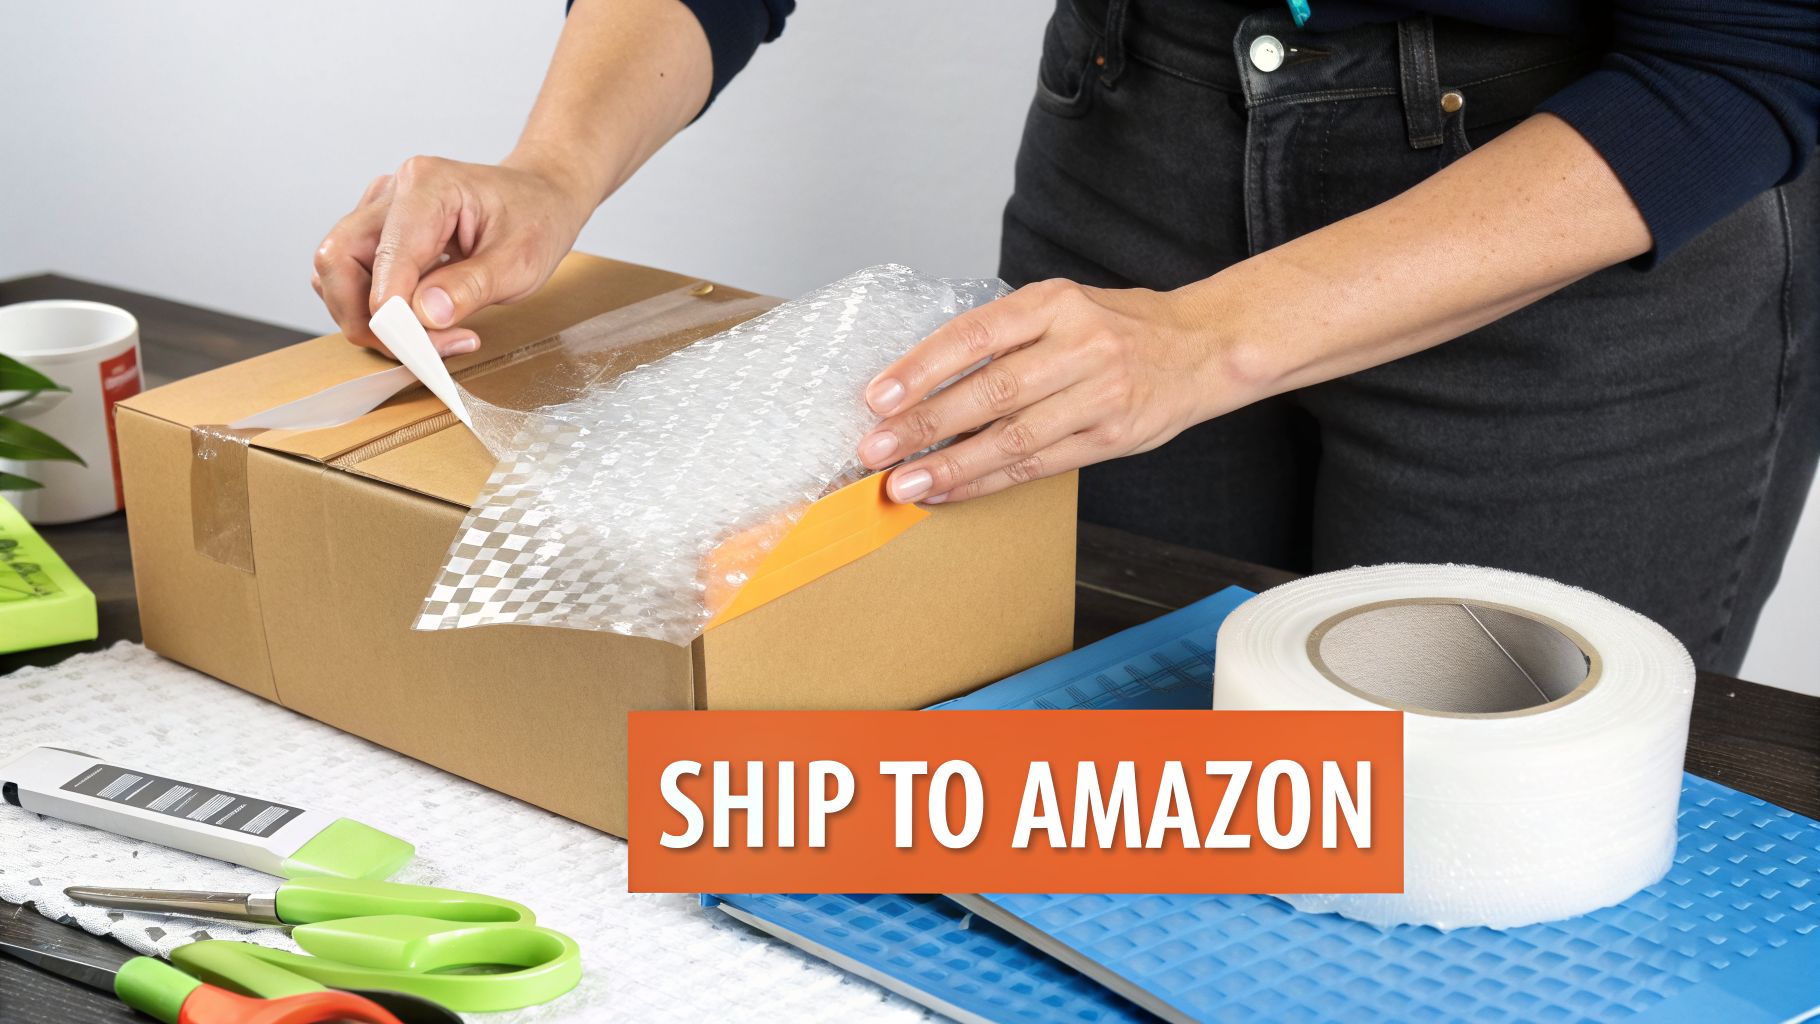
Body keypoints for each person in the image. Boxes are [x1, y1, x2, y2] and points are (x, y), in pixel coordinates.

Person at [312, 0, 1818, 674]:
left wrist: (1208, 339)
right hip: (1134, 119)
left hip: (1560, 204)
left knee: (1466, 849)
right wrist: (554, 163)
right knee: (1089, 789)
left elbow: (1752, 54)